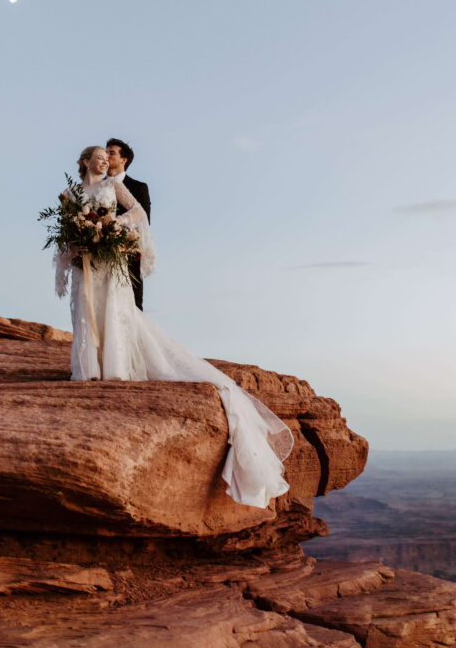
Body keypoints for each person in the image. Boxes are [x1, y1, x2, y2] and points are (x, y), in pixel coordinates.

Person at [53, 145, 293, 510]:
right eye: (98, 157)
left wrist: (113, 225)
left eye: (108, 157)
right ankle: (88, 370)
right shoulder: (71, 193)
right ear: (85, 161)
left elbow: (137, 214)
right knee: (87, 314)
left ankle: (114, 368)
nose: (103, 161)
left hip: (110, 260)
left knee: (116, 315)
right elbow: (64, 228)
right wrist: (79, 240)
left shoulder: (114, 188)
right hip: (88, 263)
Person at [105, 138, 150, 310]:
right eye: (105, 152)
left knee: (132, 305)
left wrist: (118, 234)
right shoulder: (96, 185)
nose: (106, 155)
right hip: (99, 253)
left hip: (128, 253)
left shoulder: (139, 187)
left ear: (124, 159)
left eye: (112, 152)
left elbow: (145, 221)